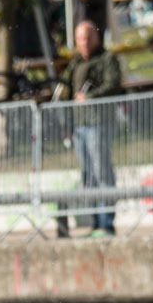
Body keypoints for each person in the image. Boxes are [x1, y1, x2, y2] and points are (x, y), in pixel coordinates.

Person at [60, 19, 125, 234]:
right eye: (80, 39)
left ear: (96, 38)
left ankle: (107, 222)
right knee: (88, 174)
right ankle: (95, 221)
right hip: (79, 125)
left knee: (102, 171)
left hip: (99, 122)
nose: (84, 42)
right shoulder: (75, 63)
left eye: (88, 38)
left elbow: (113, 83)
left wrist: (90, 96)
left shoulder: (107, 59)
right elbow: (66, 90)